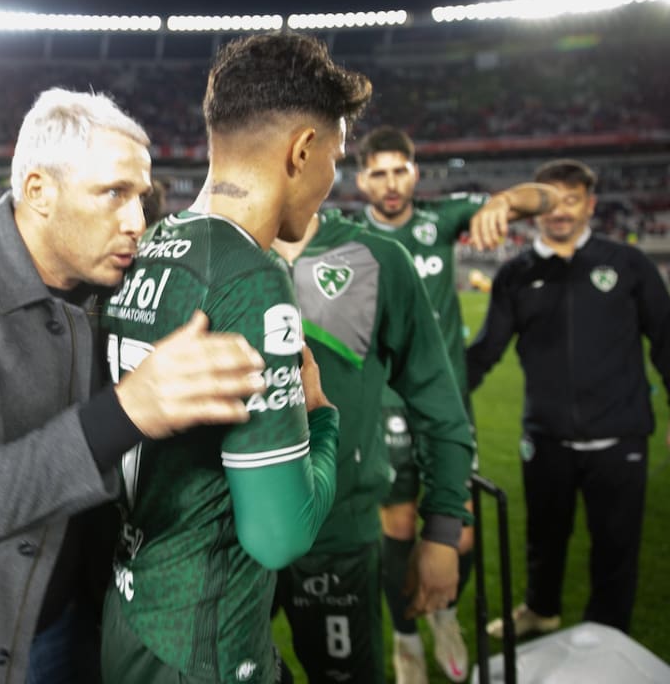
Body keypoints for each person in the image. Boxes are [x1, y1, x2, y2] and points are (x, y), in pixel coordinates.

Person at [0, 88, 269, 684]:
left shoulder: (113, 293)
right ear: (39, 192)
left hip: (72, 625)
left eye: (141, 198)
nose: (136, 222)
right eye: (113, 193)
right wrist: (130, 409)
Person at [99, 32, 370, 684]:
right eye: (335, 157)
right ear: (302, 150)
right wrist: (322, 418)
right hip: (204, 646)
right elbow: (279, 535)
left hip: (130, 616)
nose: (332, 180)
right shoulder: (250, 277)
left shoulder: (150, 247)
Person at [352, 127, 556, 683]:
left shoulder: (440, 220)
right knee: (397, 528)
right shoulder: (348, 236)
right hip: (385, 403)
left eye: (400, 170)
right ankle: (405, 638)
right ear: (361, 180)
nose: (391, 183)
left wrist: (502, 202)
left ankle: (443, 615)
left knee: (458, 531)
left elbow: (545, 198)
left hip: (445, 403)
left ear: (415, 172)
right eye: (378, 173)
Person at [466, 158, 670, 638]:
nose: (560, 211)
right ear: (536, 206)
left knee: (616, 545)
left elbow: (666, 340)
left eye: (572, 200)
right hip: (546, 437)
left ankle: (608, 632)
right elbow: (485, 352)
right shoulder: (516, 274)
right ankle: (541, 610)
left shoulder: (629, 264)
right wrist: (432, 398)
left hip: (620, 436)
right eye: (551, 200)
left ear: (590, 205)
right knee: (544, 536)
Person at [271, 210, 474, 683]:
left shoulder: (378, 258)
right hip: (223, 539)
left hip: (338, 538)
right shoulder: (209, 251)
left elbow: (437, 400)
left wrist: (443, 530)